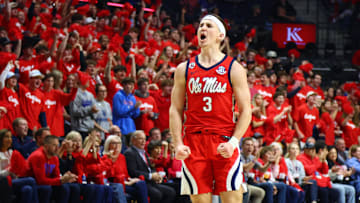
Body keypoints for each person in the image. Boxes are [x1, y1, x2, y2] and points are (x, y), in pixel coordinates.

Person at [169, 14, 251, 202]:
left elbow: (246, 110)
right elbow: (175, 109)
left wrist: (233, 142)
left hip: (223, 138)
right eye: (201, 26)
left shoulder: (234, 68)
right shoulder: (184, 68)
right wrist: (178, 143)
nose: (202, 29)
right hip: (194, 140)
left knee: (232, 199)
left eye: (208, 26)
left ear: (220, 35)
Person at [124, 130, 176, 203]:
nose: (143, 141)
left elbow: (151, 168)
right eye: (140, 139)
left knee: (171, 192)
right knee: (157, 194)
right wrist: (151, 176)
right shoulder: (129, 153)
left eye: (144, 139)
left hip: (150, 182)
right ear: (133, 140)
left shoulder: (143, 152)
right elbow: (133, 172)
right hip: (140, 183)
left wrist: (157, 175)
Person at [26, 135, 79, 203]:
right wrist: (61, 180)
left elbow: (56, 176)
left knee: (71, 188)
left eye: (58, 145)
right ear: (46, 146)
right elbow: (40, 181)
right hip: (33, 183)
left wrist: (66, 178)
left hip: (46, 183)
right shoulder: (38, 156)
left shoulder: (54, 157)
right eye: (54, 145)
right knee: (47, 189)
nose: (57, 148)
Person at [102, 135, 148, 203]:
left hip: (125, 183)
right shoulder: (105, 157)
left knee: (141, 183)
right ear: (108, 145)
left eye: (119, 143)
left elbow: (125, 174)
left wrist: (132, 180)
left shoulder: (122, 157)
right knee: (124, 187)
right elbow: (109, 177)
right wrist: (112, 161)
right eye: (114, 143)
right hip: (115, 184)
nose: (117, 145)